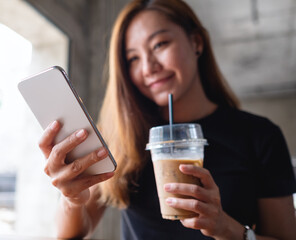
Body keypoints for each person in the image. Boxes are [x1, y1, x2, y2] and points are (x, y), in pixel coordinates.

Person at [38, 0, 296, 239]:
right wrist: (72, 198)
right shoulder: (118, 136)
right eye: (133, 58)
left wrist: (226, 227)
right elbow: (72, 234)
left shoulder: (260, 135)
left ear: (196, 42)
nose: (149, 67)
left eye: (160, 44)